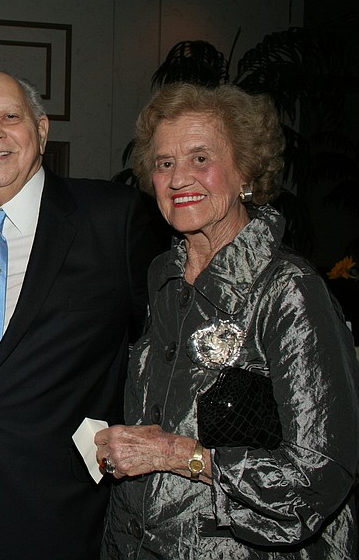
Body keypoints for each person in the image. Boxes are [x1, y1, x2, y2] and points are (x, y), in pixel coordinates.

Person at [0, 68, 163, 559]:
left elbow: (159, 350)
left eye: (10, 116)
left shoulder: (112, 217)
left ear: (41, 131)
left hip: (62, 513)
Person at [95, 83, 359, 558]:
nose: (179, 179)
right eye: (164, 163)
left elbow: (319, 475)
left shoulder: (289, 290)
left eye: (200, 158)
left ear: (245, 173)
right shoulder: (162, 275)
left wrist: (178, 454)